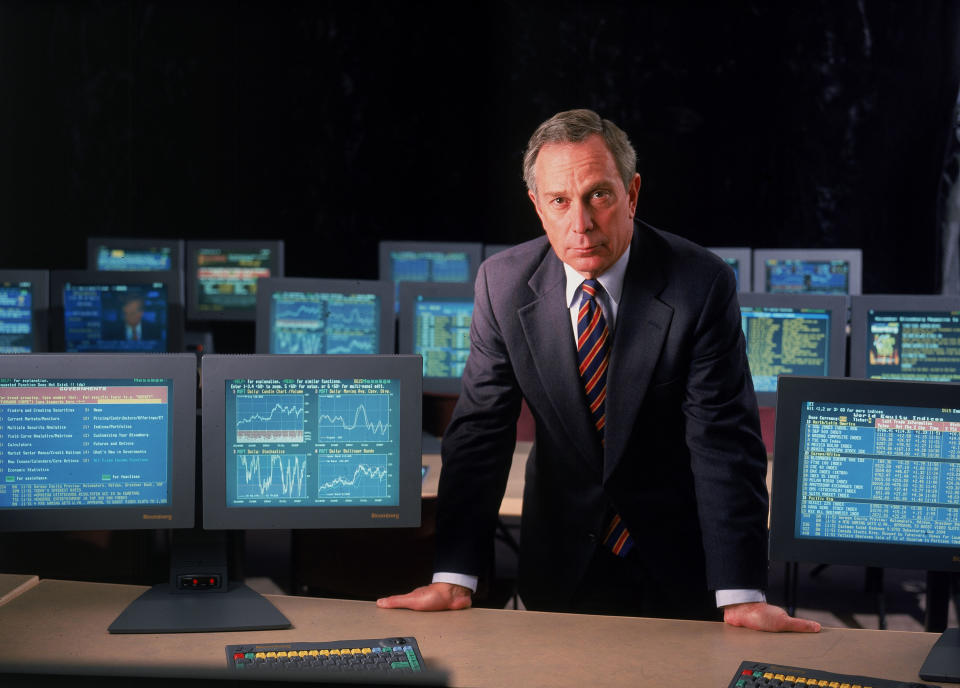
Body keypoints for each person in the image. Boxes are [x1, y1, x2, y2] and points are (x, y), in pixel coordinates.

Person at [378, 109, 819, 632]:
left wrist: (741, 591)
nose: (580, 224)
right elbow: (479, 435)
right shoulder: (502, 285)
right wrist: (455, 575)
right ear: (537, 207)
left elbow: (723, 443)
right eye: (560, 201)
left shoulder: (700, 283)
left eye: (598, 196)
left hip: (678, 566)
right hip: (557, 561)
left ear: (632, 194)